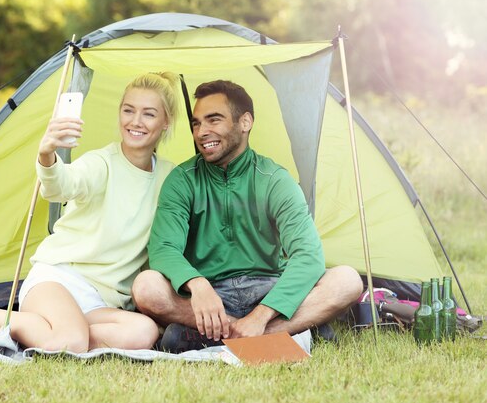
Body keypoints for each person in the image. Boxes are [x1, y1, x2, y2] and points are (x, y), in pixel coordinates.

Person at [0, 72, 180, 352]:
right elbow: (60, 186)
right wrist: (47, 154)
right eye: (128, 110)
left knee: (143, 332)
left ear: (166, 122)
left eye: (149, 114)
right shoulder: (101, 163)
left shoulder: (170, 177)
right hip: (58, 280)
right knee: (71, 341)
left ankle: (44, 332)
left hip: (100, 303)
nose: (135, 121)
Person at [132, 80, 363, 352]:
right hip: (211, 298)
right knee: (146, 286)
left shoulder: (275, 180)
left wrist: (261, 316)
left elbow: (308, 256)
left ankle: (242, 336)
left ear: (245, 122)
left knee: (347, 280)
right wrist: (198, 285)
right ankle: (291, 333)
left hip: (269, 289)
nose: (202, 132)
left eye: (213, 120)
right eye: (196, 124)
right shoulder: (182, 180)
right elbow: (163, 248)